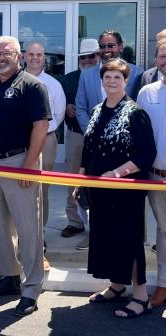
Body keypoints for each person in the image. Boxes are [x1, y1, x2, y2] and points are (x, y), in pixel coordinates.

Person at [0, 36, 50, 317]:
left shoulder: (31, 85)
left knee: (29, 230)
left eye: (8, 52)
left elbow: (40, 125)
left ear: (19, 56)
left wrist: (30, 165)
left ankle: (31, 289)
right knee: (0, 228)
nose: (2, 57)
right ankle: (8, 277)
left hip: (22, 161)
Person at [80, 58, 156, 318]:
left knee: (129, 240)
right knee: (107, 237)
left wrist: (117, 173)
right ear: (101, 81)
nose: (112, 81)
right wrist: (80, 180)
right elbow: (88, 149)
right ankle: (117, 286)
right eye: (107, 77)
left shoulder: (135, 113)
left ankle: (141, 296)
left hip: (126, 191)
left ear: (125, 81)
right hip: (100, 191)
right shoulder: (97, 111)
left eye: (117, 77)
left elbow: (147, 154)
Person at [24, 42, 66, 271]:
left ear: (44, 59)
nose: (35, 58)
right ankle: (22, 239)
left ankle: (39, 242)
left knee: (42, 192)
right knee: (19, 191)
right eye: (31, 54)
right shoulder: (16, 80)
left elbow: (58, 114)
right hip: (20, 142)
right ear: (24, 57)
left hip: (46, 141)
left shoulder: (54, 85)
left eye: (39, 55)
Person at [59, 38, 100, 249]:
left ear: (98, 56)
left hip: (101, 138)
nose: (87, 60)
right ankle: (74, 221)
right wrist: (67, 108)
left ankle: (96, 226)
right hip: (75, 134)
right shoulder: (69, 79)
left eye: (91, 56)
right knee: (72, 178)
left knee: (96, 181)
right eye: (83, 57)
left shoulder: (105, 76)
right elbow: (59, 103)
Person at [137, 38, 166, 308]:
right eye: (162, 56)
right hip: (156, 176)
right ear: (156, 60)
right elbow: (139, 136)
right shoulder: (146, 93)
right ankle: (164, 285)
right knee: (164, 231)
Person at [76, 30, 144, 135]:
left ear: (120, 47)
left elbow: (138, 105)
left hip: (125, 136)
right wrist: (90, 133)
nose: (106, 49)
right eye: (102, 46)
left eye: (111, 45)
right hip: (94, 136)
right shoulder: (86, 75)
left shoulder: (136, 73)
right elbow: (81, 108)